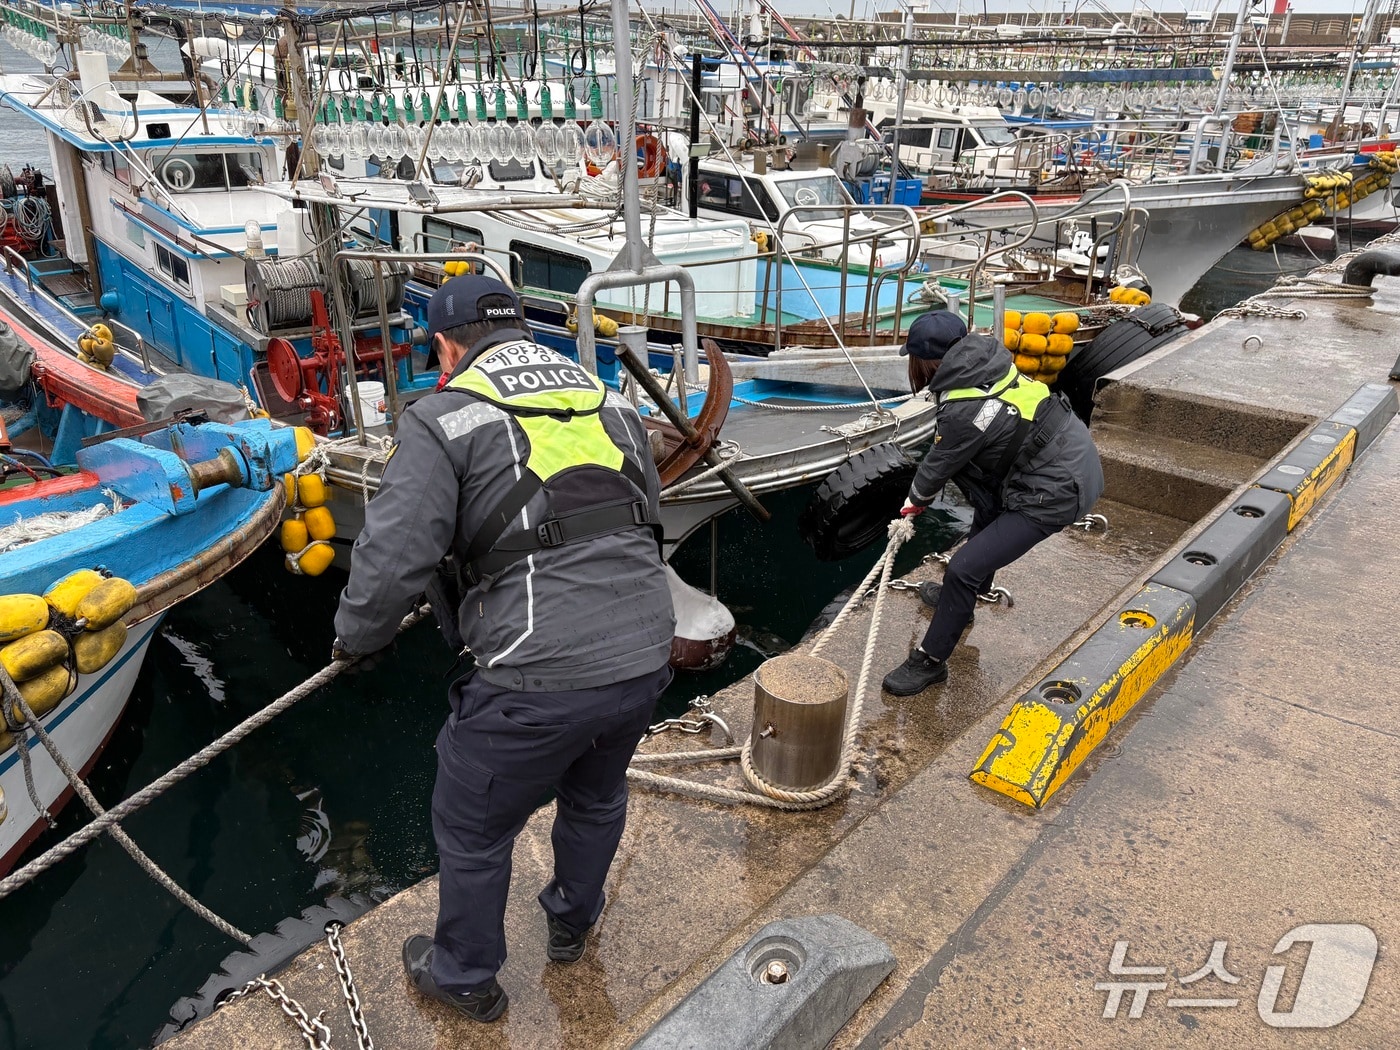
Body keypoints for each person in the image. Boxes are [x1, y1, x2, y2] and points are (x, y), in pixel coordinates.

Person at [332, 275, 675, 1022]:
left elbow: (393, 561)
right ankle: (571, 922)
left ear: (447, 346)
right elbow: (649, 518)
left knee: (471, 821)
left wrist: (355, 641)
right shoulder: (611, 401)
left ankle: (463, 976)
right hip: (647, 651)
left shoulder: (443, 416)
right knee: (597, 795)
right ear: (521, 332)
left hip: (535, 672)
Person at [882, 310, 1104, 696]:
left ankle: (930, 662)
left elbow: (937, 465)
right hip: (1066, 457)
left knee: (962, 569)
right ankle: (961, 605)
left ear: (925, 363)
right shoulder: (988, 363)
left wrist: (911, 506)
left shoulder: (962, 410)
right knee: (985, 505)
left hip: (1055, 491)